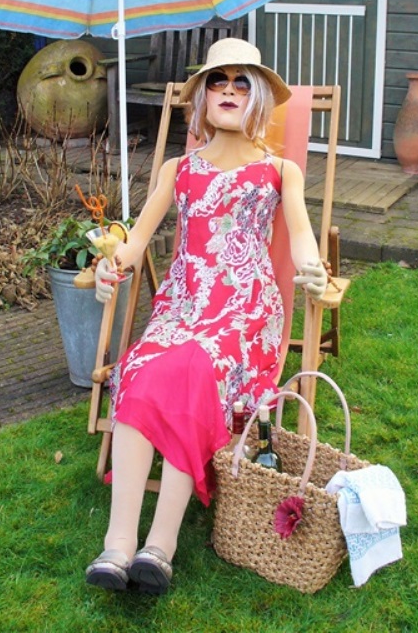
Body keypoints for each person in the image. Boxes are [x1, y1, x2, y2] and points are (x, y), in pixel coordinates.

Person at [85, 38, 327, 594]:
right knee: (141, 367)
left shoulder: (280, 171)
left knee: (195, 371)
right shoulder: (178, 169)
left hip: (244, 315)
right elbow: (133, 243)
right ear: (202, 98)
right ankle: (117, 545)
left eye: (243, 82)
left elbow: (302, 238)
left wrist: (313, 270)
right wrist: (109, 268)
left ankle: (160, 546)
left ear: (259, 97)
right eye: (218, 81)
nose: (229, 90)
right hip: (184, 306)